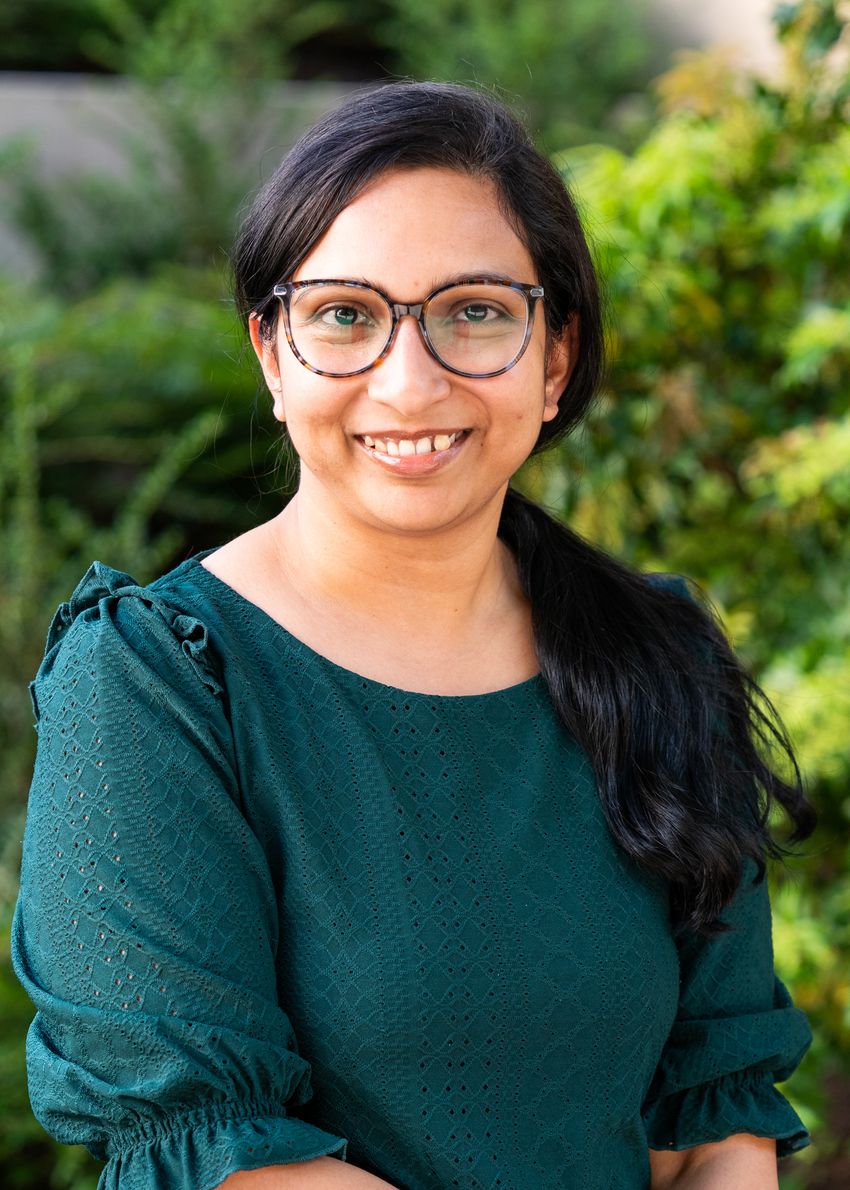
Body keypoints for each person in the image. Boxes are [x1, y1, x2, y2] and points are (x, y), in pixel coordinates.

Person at [12, 81, 817, 1190]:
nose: (408, 378)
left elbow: (714, 1113)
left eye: (474, 310)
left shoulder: (657, 654)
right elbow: (221, 1154)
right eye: (345, 314)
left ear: (554, 355)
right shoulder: (157, 680)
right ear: (271, 354)